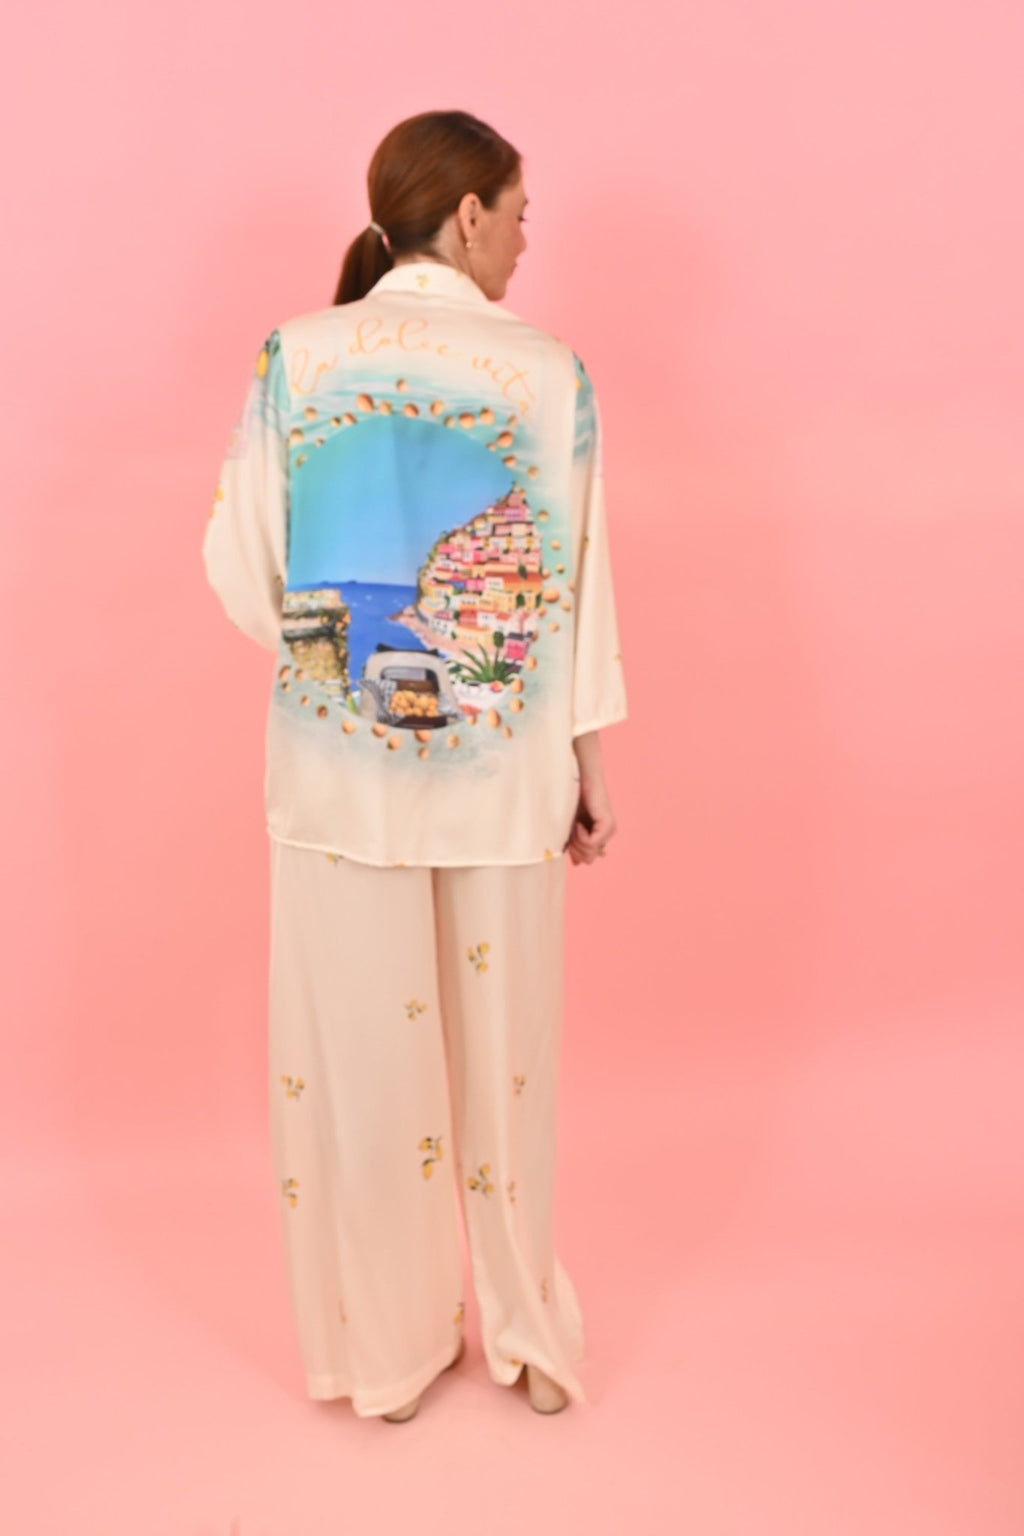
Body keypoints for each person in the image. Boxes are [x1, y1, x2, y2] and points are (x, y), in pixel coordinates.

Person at [202, 109, 628, 1422]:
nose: (525, 243)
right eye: (520, 216)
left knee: (366, 1074)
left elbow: (240, 563)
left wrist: (331, 666)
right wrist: (586, 765)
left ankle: (387, 1357)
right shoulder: (550, 373)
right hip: (503, 779)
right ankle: (529, 1340)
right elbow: (578, 594)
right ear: (468, 214)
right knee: (508, 1069)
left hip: (337, 784)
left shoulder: (297, 356)